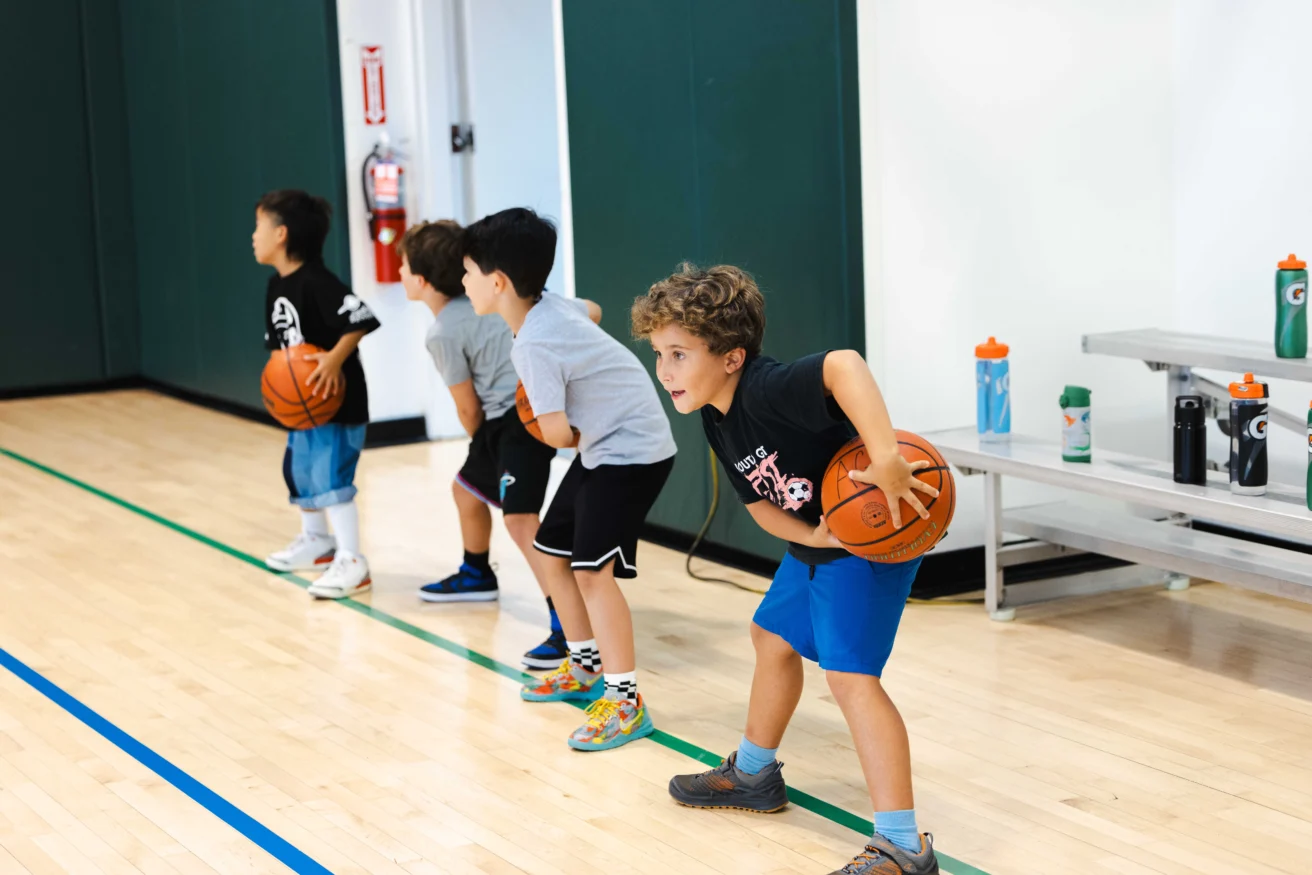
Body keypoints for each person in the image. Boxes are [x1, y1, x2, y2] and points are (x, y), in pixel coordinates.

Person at [632, 263, 942, 874]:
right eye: (659, 353)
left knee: (852, 680)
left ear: (731, 356)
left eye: (678, 353)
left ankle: (903, 848)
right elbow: (759, 506)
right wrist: (809, 534)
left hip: (868, 545)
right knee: (771, 636)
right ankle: (752, 776)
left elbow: (845, 364)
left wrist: (885, 460)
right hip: (824, 542)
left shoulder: (767, 388)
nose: (664, 370)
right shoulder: (717, 416)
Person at [462, 207, 676, 751]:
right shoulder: (549, 307)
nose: (463, 282)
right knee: (552, 550)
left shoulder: (534, 342)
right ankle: (583, 668)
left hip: (631, 451)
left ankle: (626, 703)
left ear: (498, 282)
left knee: (592, 574)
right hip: (610, 444)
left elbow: (556, 435)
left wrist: (549, 408)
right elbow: (595, 309)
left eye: (467, 272)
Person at [397, 219, 565, 669]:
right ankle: (476, 572)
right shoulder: (484, 304)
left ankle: (565, 623)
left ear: (422, 280)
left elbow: (468, 408)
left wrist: (484, 445)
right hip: (516, 413)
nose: (398, 272)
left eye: (403, 265)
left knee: (521, 521)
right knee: (465, 489)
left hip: (514, 420)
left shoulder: (442, 332)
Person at [254, 190, 380, 600]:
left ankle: (352, 560)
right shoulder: (277, 285)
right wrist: (276, 390)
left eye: (259, 227)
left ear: (281, 234)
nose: (253, 236)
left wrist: (332, 361)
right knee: (301, 472)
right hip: (302, 406)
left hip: (336, 404)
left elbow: (360, 318)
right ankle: (318, 542)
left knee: (331, 479)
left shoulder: (318, 282)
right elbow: (281, 353)